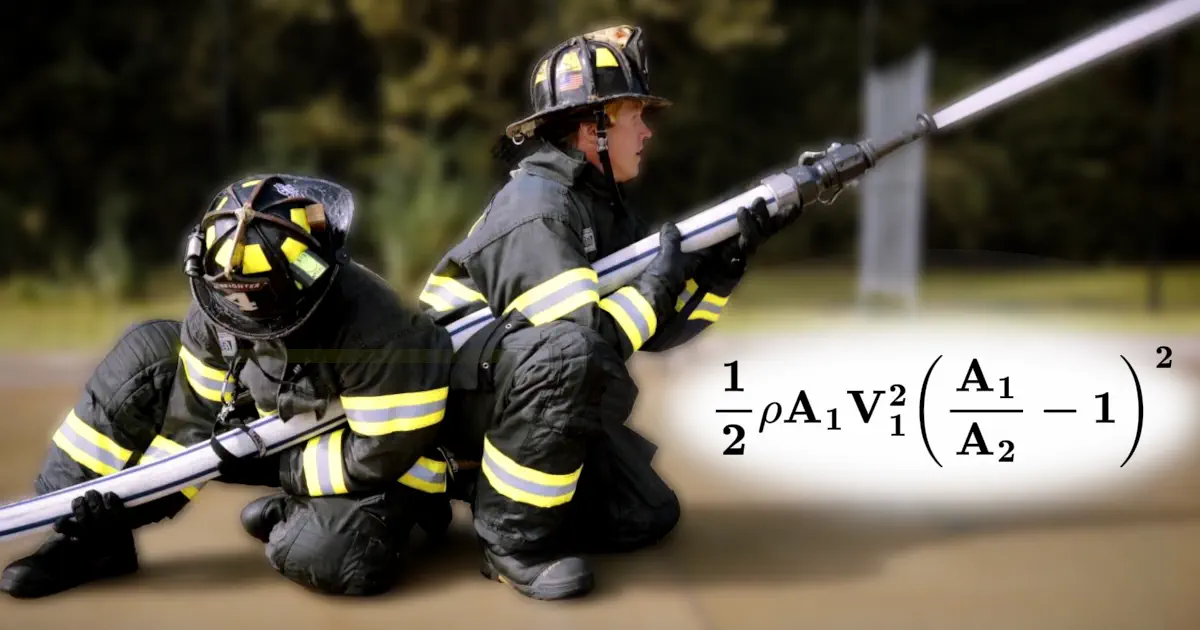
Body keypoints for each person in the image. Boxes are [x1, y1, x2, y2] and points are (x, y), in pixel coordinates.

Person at [419, 25, 801, 600]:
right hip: (454, 405)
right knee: (571, 357)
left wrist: (722, 268)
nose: (647, 131)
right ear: (590, 127)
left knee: (647, 514)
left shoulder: (601, 206)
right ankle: (511, 543)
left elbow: (657, 333)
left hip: (516, 394)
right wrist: (654, 287)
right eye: (634, 117)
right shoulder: (537, 212)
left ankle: (488, 486)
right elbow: (578, 345)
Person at [1, 174, 457, 599]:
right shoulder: (220, 304)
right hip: (274, 437)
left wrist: (285, 474)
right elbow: (191, 429)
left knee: (332, 556)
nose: (238, 324)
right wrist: (122, 513)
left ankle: (302, 515)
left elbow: (380, 454)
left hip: (375, 463)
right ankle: (81, 540)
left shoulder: (383, 334)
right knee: (144, 357)